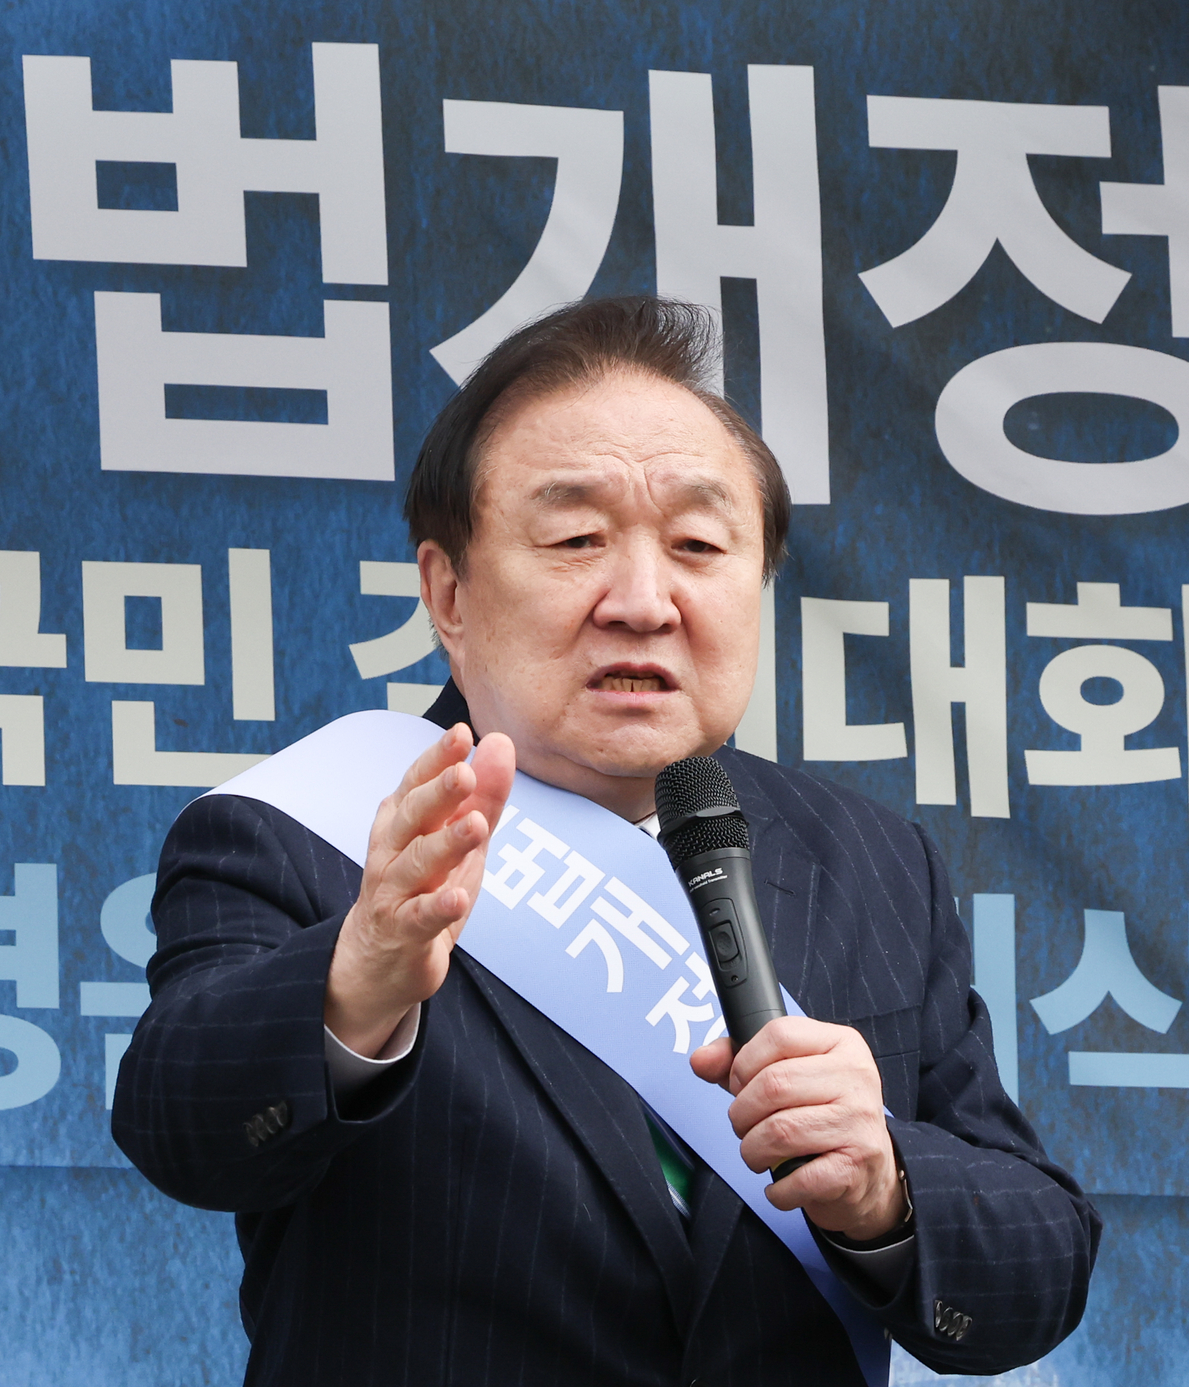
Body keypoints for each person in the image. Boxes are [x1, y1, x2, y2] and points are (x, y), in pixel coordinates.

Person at [113, 297, 1099, 1385]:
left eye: (696, 544)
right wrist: (355, 988)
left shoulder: (869, 864)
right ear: (448, 590)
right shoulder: (313, 832)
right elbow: (178, 1122)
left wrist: (884, 1188)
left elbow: (1038, 1260)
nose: (641, 600)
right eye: (577, 538)